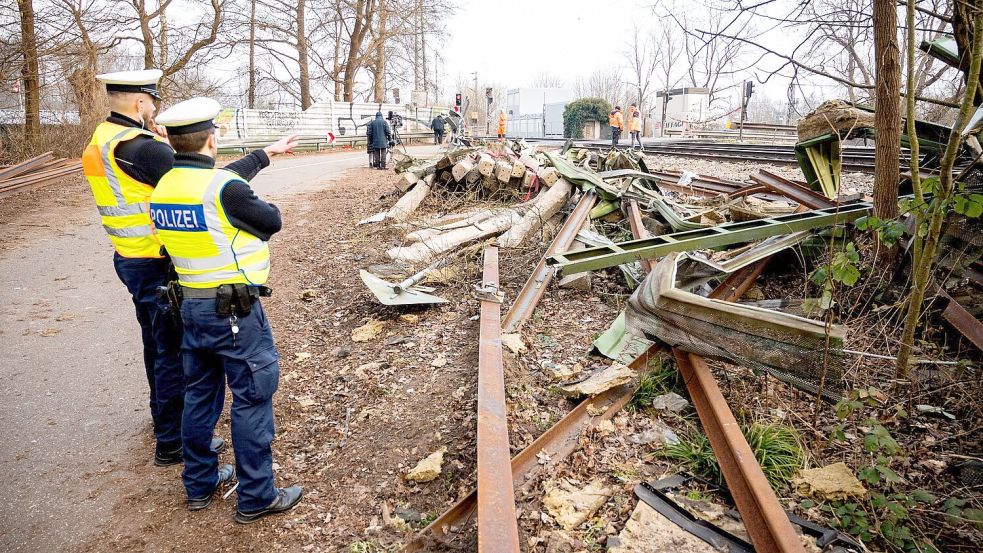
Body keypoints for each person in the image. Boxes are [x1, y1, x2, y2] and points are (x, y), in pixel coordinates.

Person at [82, 70, 271, 466]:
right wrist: (261, 158)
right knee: (171, 352)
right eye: (152, 102)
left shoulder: (101, 140)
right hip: (157, 262)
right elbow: (202, 187)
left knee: (156, 346)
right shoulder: (143, 148)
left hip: (128, 256)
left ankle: (166, 426)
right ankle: (172, 439)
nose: (154, 110)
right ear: (140, 102)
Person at [148, 97, 302, 522]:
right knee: (252, 397)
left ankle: (199, 485)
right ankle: (256, 496)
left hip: (189, 309)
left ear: (172, 140)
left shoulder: (165, 186)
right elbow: (270, 220)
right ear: (212, 140)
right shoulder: (226, 190)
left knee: (199, 397)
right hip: (233, 311)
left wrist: (266, 154)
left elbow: (211, 183)